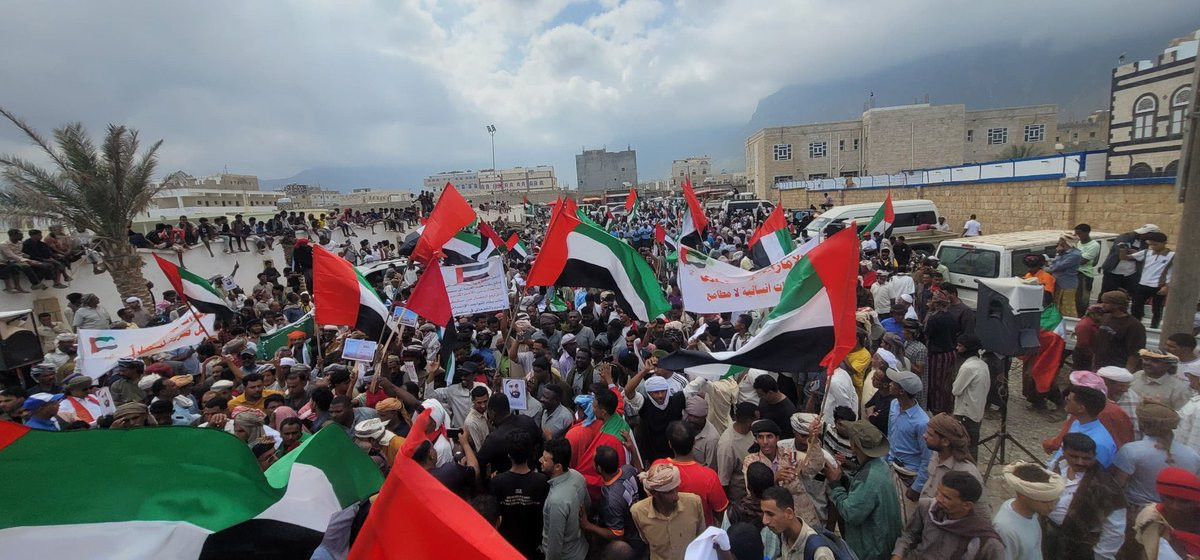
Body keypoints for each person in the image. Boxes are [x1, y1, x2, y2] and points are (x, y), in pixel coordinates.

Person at [827, 419, 902, 560]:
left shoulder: (869, 477)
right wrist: (844, 479)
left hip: (871, 550)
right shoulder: (880, 465)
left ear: (853, 445)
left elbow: (850, 513)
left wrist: (835, 485)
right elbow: (862, 492)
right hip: (884, 542)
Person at [1044, 432, 1127, 559]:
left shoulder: (1106, 488)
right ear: (1063, 452)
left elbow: (1114, 531)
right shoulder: (1057, 466)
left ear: (1094, 456)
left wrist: (1101, 556)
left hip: (1081, 548)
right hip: (1050, 537)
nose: (1080, 462)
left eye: (1086, 458)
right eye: (1074, 456)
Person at [891, 471, 1004, 559]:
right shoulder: (926, 508)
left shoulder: (986, 541)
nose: (938, 499)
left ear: (967, 505)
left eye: (946, 497)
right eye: (939, 492)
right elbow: (909, 535)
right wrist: (898, 555)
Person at [1114, 402, 1200, 514]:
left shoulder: (1131, 451)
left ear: (1142, 424)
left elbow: (1117, 485)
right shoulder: (1192, 455)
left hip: (1138, 511)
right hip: (1176, 514)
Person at [741, 419, 824, 530]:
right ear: (756, 440)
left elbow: (815, 467)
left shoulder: (790, 455)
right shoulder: (751, 462)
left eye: (769, 436)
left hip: (801, 516)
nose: (765, 442)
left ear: (777, 438)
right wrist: (774, 478)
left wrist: (814, 439)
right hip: (772, 520)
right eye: (760, 437)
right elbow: (751, 491)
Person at [651, 421, 729, 526]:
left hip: (668, 528)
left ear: (670, 444)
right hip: (700, 531)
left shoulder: (658, 467)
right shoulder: (709, 476)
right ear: (694, 442)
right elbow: (721, 512)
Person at [491, 430, 549, 559]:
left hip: (507, 547)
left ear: (509, 455)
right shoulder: (542, 481)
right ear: (530, 453)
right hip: (534, 546)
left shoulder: (497, 482)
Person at [579, 445, 645, 558]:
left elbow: (617, 534)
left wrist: (588, 526)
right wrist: (633, 451)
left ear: (599, 469)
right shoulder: (628, 469)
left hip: (632, 544)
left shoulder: (611, 500)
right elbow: (640, 475)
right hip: (641, 528)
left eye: (593, 462)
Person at [631, 462, 706, 560]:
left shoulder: (694, 503)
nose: (676, 497)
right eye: (669, 492)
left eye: (676, 489)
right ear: (654, 493)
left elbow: (702, 537)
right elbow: (645, 540)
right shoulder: (638, 512)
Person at [885, 367, 931, 524]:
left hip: (909, 474)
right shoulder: (894, 405)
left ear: (902, 391)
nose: (890, 384)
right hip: (891, 467)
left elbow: (927, 458)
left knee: (905, 521)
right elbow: (891, 436)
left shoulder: (922, 422)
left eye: (894, 383)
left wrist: (917, 487)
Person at [992, 462, 1065, 560]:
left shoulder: (1033, 513)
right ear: (1024, 496)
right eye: (1045, 502)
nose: (1052, 507)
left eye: (1054, 501)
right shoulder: (1005, 530)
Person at [921, 414, 988, 512]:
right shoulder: (936, 455)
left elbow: (982, 513)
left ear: (945, 442)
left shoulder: (966, 472)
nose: (924, 436)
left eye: (930, 435)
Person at [1132, 467, 1200, 559]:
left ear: (1197, 503)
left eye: (1184, 501)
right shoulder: (1150, 517)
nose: (1174, 506)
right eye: (1169, 498)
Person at [540, 437, 589, 560]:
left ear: (558, 467)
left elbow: (555, 545)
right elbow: (588, 507)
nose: (540, 460)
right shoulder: (578, 477)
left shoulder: (556, 502)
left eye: (545, 460)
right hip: (580, 549)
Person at [1049, 385, 1118, 468]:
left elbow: (1093, 473)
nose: (1065, 400)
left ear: (1081, 408)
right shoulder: (1077, 422)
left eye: (1069, 400)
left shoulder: (1099, 443)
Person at [759, 485, 835, 560]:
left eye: (770, 514)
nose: (764, 521)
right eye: (763, 513)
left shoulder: (820, 553)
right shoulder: (783, 536)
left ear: (789, 513)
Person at [1122, 231, 1173, 328]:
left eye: (1155, 244)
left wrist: (1167, 286)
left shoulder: (1172, 255)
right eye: (1151, 244)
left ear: (1164, 243)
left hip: (1159, 286)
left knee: (1157, 308)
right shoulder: (1146, 252)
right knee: (1136, 305)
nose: (1153, 247)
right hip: (1143, 284)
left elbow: (1172, 273)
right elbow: (1125, 257)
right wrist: (1122, 249)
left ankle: (1154, 326)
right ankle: (1136, 324)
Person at [951, 334, 990, 458]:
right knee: (972, 445)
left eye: (960, 346)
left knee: (962, 446)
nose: (957, 348)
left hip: (965, 414)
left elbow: (956, 390)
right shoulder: (983, 365)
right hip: (977, 412)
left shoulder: (968, 367)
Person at [1091, 291, 1146, 372]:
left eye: (1106, 303)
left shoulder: (1134, 325)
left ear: (1117, 305)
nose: (1102, 305)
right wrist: (1093, 366)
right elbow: (1098, 345)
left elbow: (1135, 354)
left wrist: (1126, 373)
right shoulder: (1105, 318)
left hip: (1117, 370)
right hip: (1100, 368)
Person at [716, 402, 758, 507]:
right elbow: (723, 481)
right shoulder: (727, 445)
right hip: (740, 499)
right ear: (748, 421)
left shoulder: (753, 431)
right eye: (756, 420)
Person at [1046, 233, 1083, 318]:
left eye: (1060, 240)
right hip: (1058, 282)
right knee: (1057, 305)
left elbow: (1058, 266)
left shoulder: (1075, 254)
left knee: (1067, 307)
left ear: (1065, 242)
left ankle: (1071, 323)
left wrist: (1058, 254)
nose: (1058, 242)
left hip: (1067, 284)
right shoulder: (1063, 252)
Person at [1074, 224, 1101, 314]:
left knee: (1082, 300)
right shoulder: (1078, 243)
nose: (1078, 236)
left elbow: (1082, 261)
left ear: (1087, 232)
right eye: (1076, 234)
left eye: (1080, 234)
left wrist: (1071, 258)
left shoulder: (1094, 245)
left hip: (1084, 274)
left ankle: (1082, 316)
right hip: (1075, 272)